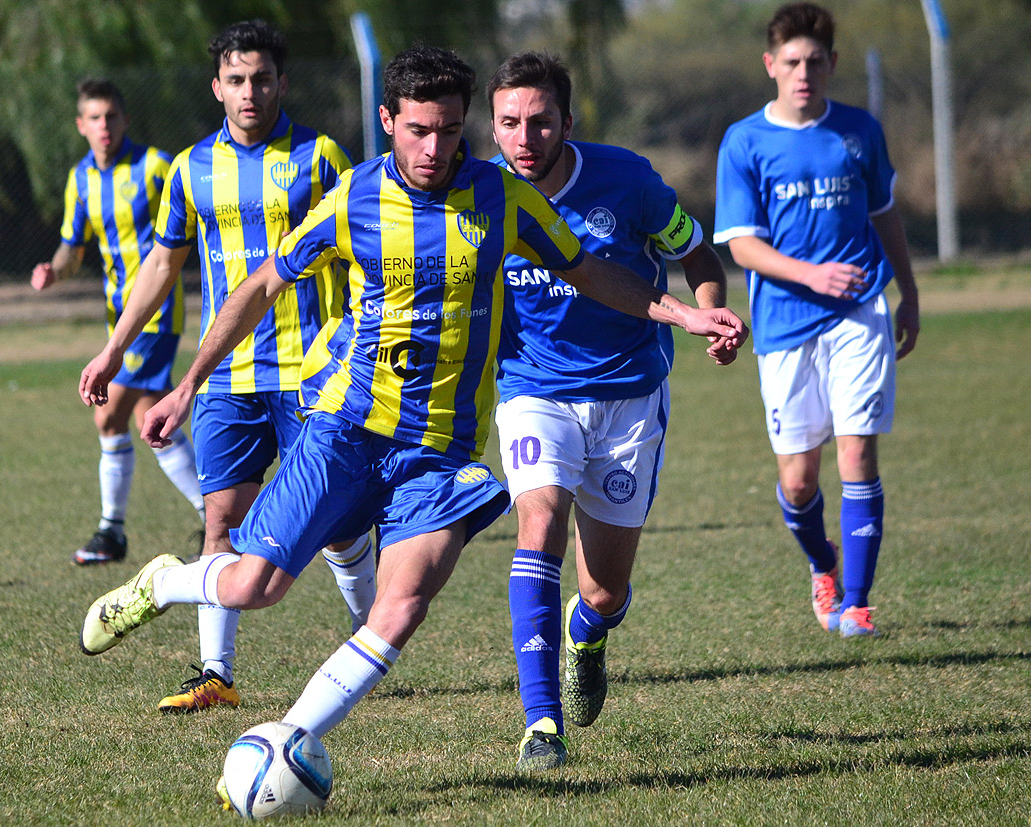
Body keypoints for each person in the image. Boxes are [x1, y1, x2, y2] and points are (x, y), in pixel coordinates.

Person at [77, 45, 746, 791]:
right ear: (389, 120)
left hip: (438, 452)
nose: (435, 148)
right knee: (254, 587)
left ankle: (288, 742)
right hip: (345, 430)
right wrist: (186, 384)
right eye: (420, 130)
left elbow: (591, 272)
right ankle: (167, 583)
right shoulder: (355, 198)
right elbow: (263, 282)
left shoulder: (500, 198)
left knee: (402, 606)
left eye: (451, 131)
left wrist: (683, 314)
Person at [76, 21, 376, 715]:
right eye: (236, 80)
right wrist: (114, 348)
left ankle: (369, 639)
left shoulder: (321, 156)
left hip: (315, 372)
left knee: (336, 524)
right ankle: (217, 673)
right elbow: (161, 265)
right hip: (228, 378)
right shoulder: (189, 169)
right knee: (221, 522)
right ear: (216, 87)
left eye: (262, 78)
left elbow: (365, 242)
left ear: (283, 82)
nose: (250, 92)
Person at [487, 52, 737, 770]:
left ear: (568, 120)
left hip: (630, 394)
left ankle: (588, 633)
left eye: (539, 121)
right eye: (509, 122)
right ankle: (542, 723)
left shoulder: (626, 181)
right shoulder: (480, 194)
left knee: (605, 585)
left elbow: (699, 256)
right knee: (539, 524)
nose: (525, 137)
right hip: (532, 390)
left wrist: (712, 318)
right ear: (493, 126)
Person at [714, 2, 919, 638]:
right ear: (771, 65)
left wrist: (907, 290)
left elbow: (885, 213)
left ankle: (856, 604)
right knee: (799, 482)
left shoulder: (859, 131)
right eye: (792, 62)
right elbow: (740, 244)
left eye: (816, 62)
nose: (804, 73)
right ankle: (823, 564)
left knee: (858, 452)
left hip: (860, 313)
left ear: (832, 64)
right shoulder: (745, 141)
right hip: (783, 323)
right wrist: (809, 275)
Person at [32, 78, 204, 566]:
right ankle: (216, 515)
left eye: (111, 116)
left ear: (124, 120)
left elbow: (191, 221)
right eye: (94, 117)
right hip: (118, 320)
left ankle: (112, 531)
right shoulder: (80, 178)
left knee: (108, 415)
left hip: (156, 315)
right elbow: (73, 246)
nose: (104, 126)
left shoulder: (154, 166)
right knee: (151, 422)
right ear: (81, 125)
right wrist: (55, 270)